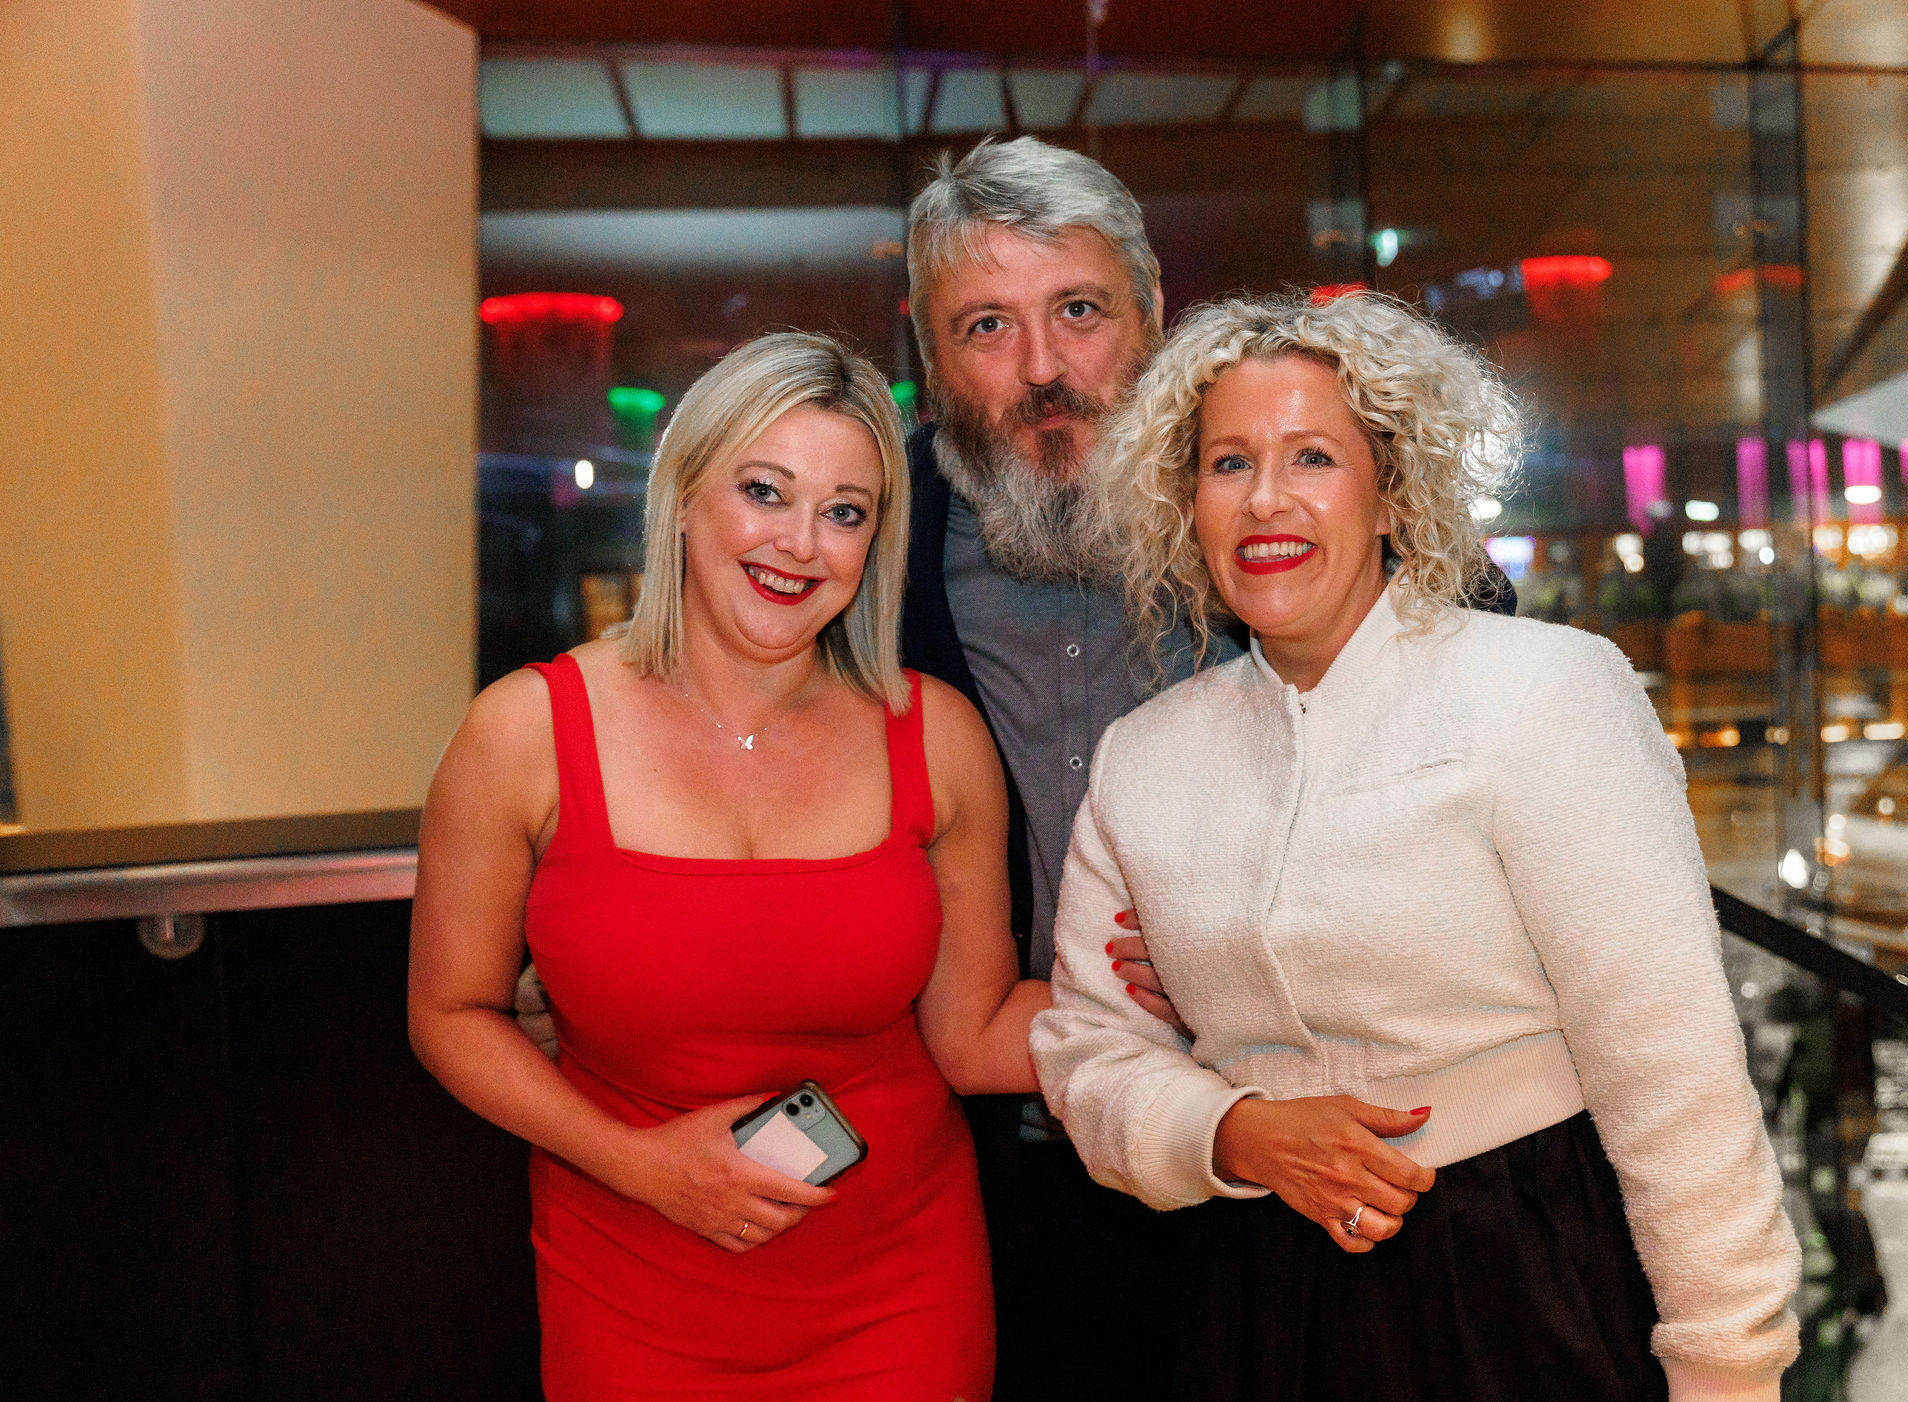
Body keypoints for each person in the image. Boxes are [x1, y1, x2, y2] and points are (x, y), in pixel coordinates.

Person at [1031, 291, 1802, 1401]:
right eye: (1229, 464)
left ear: (1393, 494)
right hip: (1250, 1290)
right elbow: (1087, 1051)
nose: (1265, 498)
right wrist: (1229, 1131)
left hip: (1527, 1265)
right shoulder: (1143, 757)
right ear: (1184, 505)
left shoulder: (1544, 692)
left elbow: (1669, 1064)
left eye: (1312, 456)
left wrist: (1730, 1364)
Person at [901, 136, 1513, 1400]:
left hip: (1319, 1168)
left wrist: (1238, 950)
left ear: (1150, 315)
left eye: (1078, 312)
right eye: (985, 326)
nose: (1042, 368)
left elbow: (1483, 771)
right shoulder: (873, 549)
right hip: (997, 1182)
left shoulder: (1282, 504)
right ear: (928, 352)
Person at [409, 332, 1043, 1401]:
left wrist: (1193, 1004)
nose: (801, 544)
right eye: (764, 491)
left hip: (900, 1287)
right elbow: (449, 1015)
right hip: (629, 1273)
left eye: (845, 512)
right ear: (683, 495)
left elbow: (974, 1031)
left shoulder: (934, 736)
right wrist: (640, 1164)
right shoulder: (523, 733)